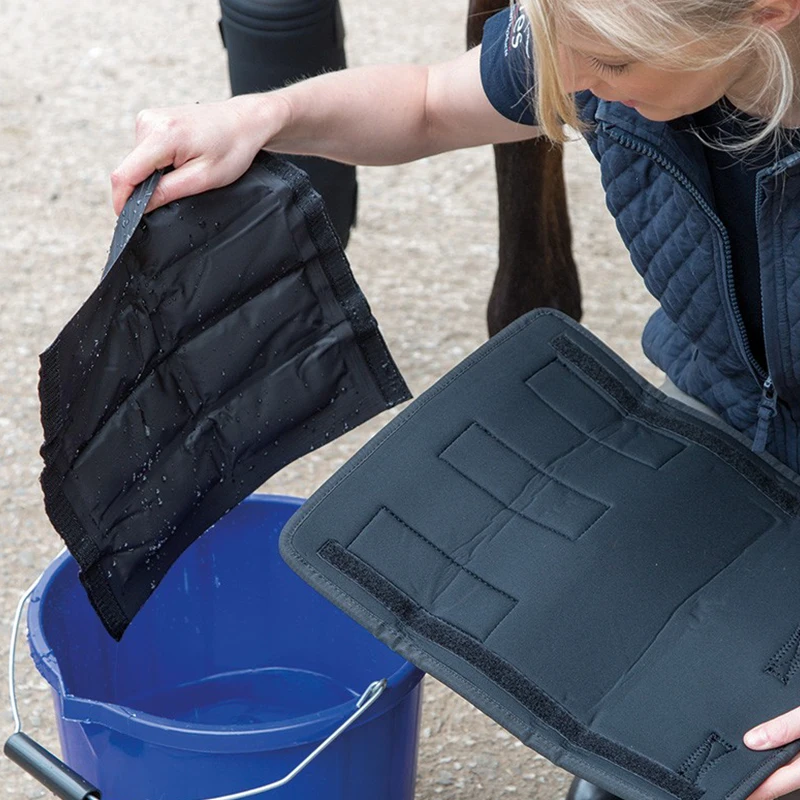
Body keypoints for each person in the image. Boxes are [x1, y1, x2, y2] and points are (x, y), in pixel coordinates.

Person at [110, 0, 800, 798]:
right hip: (726, 432)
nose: (573, 83)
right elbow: (430, 104)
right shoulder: (607, 33)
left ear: (763, 12)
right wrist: (267, 114)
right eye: (557, 47)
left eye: (609, 66)